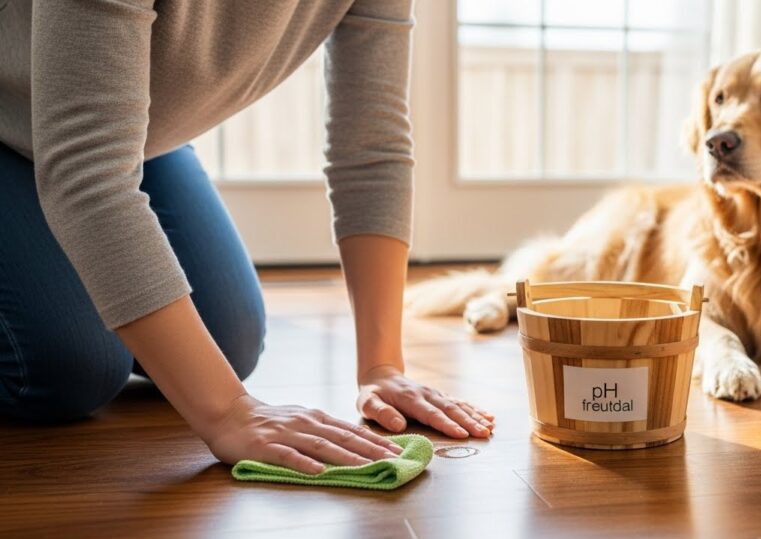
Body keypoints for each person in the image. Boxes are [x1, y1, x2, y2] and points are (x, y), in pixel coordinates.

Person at [0, 0, 493, 474]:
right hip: (18, 118)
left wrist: (382, 365)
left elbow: (371, 147)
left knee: (227, 342)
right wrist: (226, 413)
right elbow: (86, 170)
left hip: (139, 133)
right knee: (66, 370)